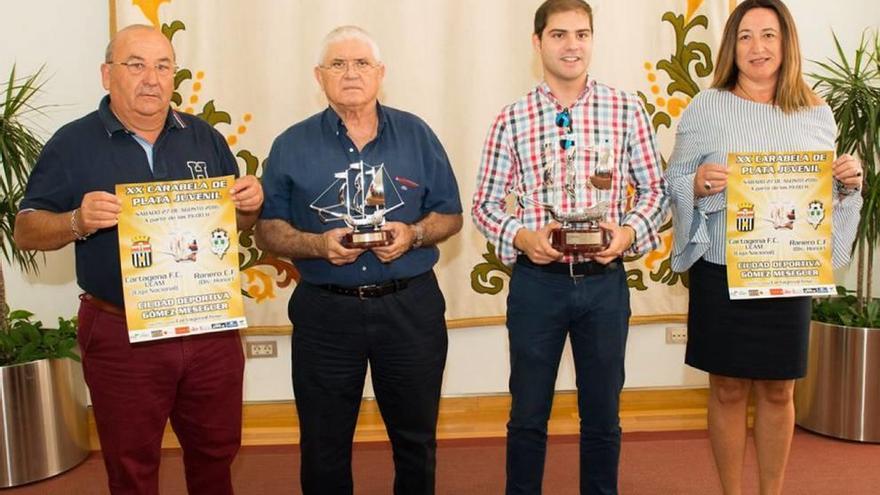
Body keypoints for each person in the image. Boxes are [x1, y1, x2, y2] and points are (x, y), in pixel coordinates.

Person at [14, 25, 264, 495]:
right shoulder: (72, 144)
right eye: (136, 65)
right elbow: (26, 229)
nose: (151, 78)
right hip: (120, 332)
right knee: (131, 465)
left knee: (217, 452)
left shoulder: (204, 138)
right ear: (107, 74)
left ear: (174, 76)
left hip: (208, 327)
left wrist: (249, 206)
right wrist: (76, 220)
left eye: (163, 66)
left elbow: (236, 226)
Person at [664, 1, 863, 494]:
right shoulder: (705, 107)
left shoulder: (816, 111)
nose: (758, 47)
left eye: (769, 35)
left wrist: (849, 183)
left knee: (779, 389)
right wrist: (698, 184)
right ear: (732, 46)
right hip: (722, 267)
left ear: (786, 42)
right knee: (727, 387)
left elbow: (823, 193)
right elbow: (674, 179)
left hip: (786, 268)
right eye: (747, 36)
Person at [255, 25, 462, 495]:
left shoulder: (417, 134)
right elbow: (268, 228)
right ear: (319, 76)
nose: (350, 73)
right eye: (338, 64)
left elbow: (450, 215)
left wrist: (413, 234)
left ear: (381, 73)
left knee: (415, 439)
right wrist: (317, 245)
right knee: (324, 444)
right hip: (326, 312)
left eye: (362, 63)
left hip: (409, 309)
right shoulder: (291, 144)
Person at [471, 1, 668, 493]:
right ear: (538, 42)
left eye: (582, 34)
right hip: (538, 285)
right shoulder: (511, 119)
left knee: (603, 415)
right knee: (528, 414)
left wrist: (625, 235)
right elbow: (484, 203)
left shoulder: (626, 109)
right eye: (559, 35)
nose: (572, 45)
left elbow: (655, 193)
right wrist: (521, 237)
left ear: (592, 40)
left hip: (604, 286)